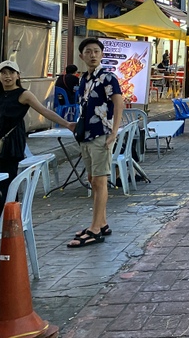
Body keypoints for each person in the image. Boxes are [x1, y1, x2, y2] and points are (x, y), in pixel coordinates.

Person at [0, 61, 76, 218]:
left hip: (10, 144)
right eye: (4, 73)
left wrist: (67, 124)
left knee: (8, 184)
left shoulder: (23, 94)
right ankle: (1, 215)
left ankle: (11, 220)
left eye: (11, 73)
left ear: (18, 75)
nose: (8, 76)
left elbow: (44, 111)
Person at [68, 38, 124, 248]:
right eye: (88, 52)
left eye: (96, 51)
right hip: (85, 135)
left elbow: (119, 104)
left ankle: (95, 229)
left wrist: (114, 132)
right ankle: (101, 222)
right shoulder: (85, 79)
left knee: (100, 182)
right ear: (81, 56)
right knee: (92, 179)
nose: (92, 55)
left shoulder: (108, 77)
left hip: (101, 134)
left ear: (102, 54)